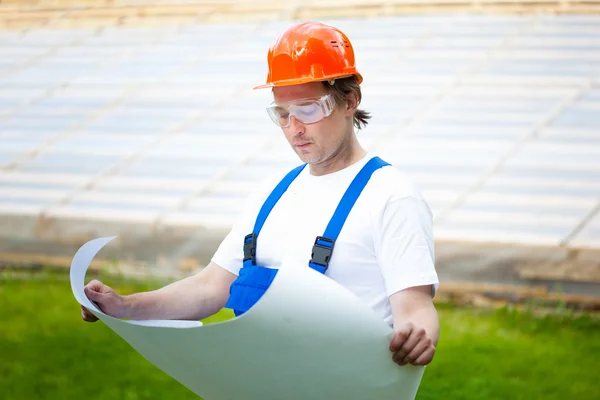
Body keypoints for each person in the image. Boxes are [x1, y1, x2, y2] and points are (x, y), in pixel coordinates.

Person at [81, 21, 440, 367]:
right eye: (282, 114)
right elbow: (211, 288)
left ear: (350, 101)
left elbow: (415, 307)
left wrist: (419, 335)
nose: (294, 128)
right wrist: (124, 305)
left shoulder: (391, 197)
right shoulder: (273, 192)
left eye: (308, 109)